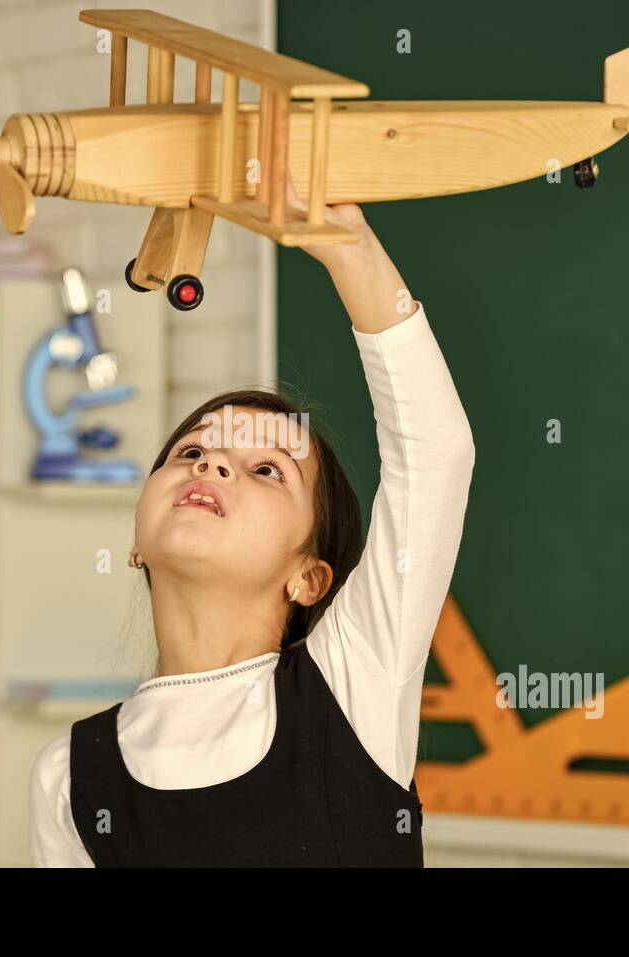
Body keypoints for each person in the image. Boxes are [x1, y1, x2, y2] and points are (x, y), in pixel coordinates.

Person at [30, 179, 476, 866]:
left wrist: (352, 251)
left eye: (267, 468)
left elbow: (436, 457)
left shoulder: (354, 685)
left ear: (309, 576)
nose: (212, 468)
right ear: (136, 545)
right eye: (192, 451)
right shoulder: (68, 777)